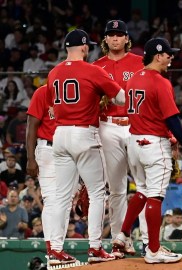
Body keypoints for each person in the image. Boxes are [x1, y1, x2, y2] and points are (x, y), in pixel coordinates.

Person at [112, 37, 182, 264]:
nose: (171, 57)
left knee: (142, 191)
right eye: (168, 54)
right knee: (156, 196)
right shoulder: (160, 82)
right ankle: (153, 250)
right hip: (153, 144)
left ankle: (122, 235)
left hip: (134, 142)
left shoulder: (133, 78)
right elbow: (172, 119)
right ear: (158, 55)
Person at [47, 29, 126, 264]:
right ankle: (94, 248)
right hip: (84, 133)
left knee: (61, 196)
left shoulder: (53, 73)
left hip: (60, 134)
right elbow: (121, 98)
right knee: (97, 193)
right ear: (83, 47)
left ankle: (55, 250)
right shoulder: (93, 70)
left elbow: (53, 106)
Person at [92, 20, 146, 259]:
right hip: (108, 127)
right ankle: (119, 239)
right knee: (116, 188)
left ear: (126, 39)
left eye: (119, 35)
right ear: (105, 40)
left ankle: (147, 240)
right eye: (110, 35)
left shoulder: (139, 62)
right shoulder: (96, 66)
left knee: (144, 186)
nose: (115, 38)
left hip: (135, 125)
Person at [25, 84, 57, 258]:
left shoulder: (76, 93)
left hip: (70, 151)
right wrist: (30, 158)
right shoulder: (43, 92)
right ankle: (51, 248)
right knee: (51, 200)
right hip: (48, 149)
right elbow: (31, 125)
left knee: (65, 203)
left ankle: (57, 246)